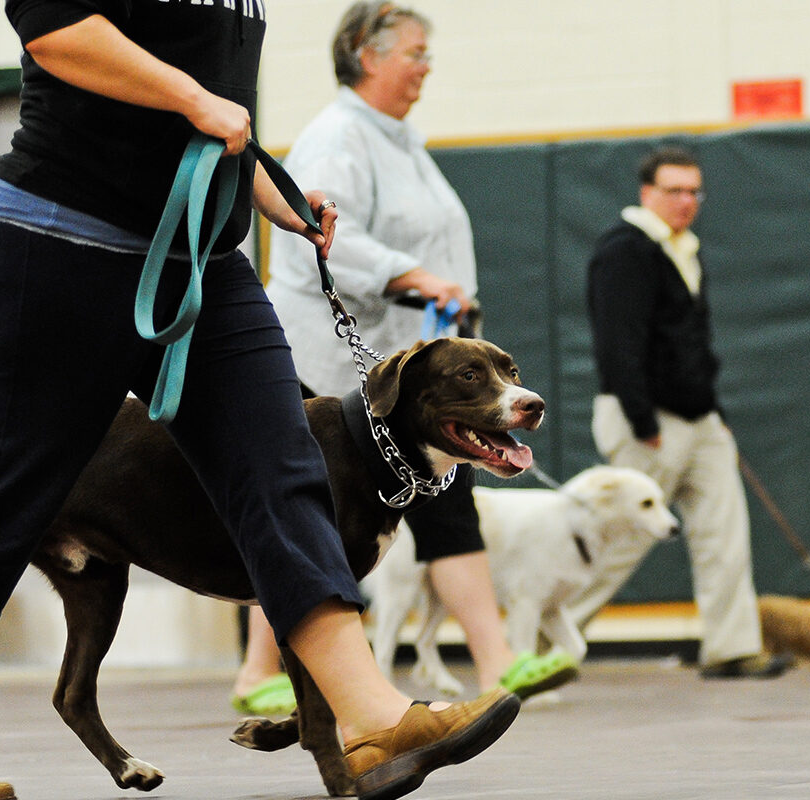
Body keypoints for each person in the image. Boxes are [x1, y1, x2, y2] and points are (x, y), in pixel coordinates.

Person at [0, 4, 518, 800]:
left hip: (203, 255)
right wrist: (192, 99)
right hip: (63, 239)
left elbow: (219, 101)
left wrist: (276, 193)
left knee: (284, 466)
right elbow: (56, 28)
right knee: (12, 478)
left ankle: (371, 717)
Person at [262, 2, 576, 702]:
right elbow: (320, 235)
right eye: (415, 53)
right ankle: (267, 671)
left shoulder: (401, 141)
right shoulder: (336, 136)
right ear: (367, 56)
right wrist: (413, 276)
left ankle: (497, 662)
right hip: (335, 364)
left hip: (412, 366)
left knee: (436, 497)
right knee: (306, 511)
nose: (426, 67)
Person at [571, 146, 792, 680]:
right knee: (620, 541)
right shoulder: (624, 251)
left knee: (724, 532)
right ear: (648, 193)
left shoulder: (683, 249)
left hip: (699, 421)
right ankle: (542, 641)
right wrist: (644, 423)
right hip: (648, 424)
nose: (686, 201)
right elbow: (617, 345)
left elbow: (690, 342)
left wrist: (711, 413)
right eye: (675, 190)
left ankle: (732, 647)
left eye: (694, 191)